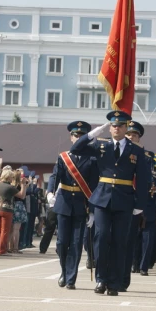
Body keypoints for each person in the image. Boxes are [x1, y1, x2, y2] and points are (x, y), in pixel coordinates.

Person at [70, 111, 149, 296]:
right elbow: (76, 149)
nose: (116, 128)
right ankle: (101, 279)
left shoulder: (136, 149)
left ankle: (114, 283)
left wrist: (140, 203)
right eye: (113, 125)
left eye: (120, 125)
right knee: (101, 238)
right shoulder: (100, 144)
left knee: (119, 242)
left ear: (126, 127)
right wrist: (93, 133)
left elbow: (143, 179)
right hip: (102, 198)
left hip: (125, 199)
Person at [47, 121, 97, 289]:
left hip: (82, 204)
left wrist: (93, 210)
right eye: (75, 135)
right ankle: (64, 270)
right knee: (61, 243)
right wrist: (49, 192)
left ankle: (70, 278)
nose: (78, 138)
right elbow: (55, 176)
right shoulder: (64, 157)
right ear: (71, 137)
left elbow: (95, 184)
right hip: (64, 202)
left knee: (76, 243)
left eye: (82, 135)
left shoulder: (93, 157)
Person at [122, 120, 152, 290]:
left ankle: (129, 271)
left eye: (134, 135)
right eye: (129, 134)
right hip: (118, 200)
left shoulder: (145, 157)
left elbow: (145, 181)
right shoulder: (115, 151)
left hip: (135, 203)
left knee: (131, 239)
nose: (131, 137)